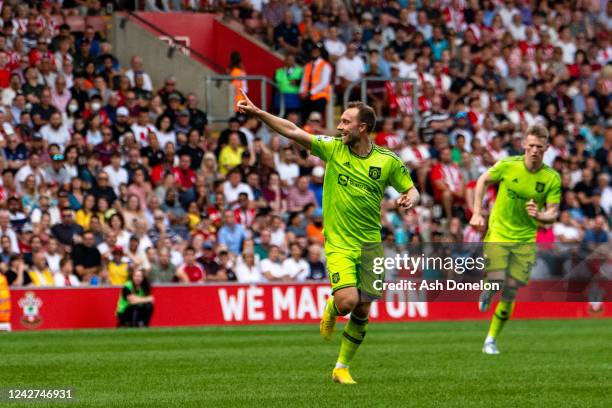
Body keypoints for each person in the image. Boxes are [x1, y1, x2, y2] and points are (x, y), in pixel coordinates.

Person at [237, 91, 419, 384]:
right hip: (339, 242)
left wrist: (411, 197)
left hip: (371, 244)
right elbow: (293, 131)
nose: (339, 127)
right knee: (347, 301)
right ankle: (332, 308)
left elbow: (411, 188)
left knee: (363, 307)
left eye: (346, 122)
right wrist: (259, 113)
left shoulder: (387, 161)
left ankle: (341, 367)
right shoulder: (333, 148)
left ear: (363, 128)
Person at [469, 125, 560, 355]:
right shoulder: (508, 165)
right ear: (524, 145)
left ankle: (490, 340)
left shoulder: (551, 178)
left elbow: (553, 213)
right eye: (530, 146)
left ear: (547, 148)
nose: (534, 150)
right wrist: (477, 212)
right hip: (499, 231)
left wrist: (539, 215)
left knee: (510, 293)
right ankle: (489, 286)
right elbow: (482, 180)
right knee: (498, 279)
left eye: (539, 147)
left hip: (526, 239)